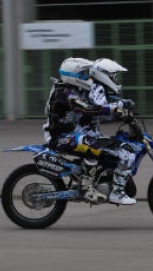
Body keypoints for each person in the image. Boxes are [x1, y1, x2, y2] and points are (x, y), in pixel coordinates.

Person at [43, 56, 137, 206]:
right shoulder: (64, 93)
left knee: (110, 146)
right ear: (72, 75)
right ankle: (86, 188)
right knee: (94, 145)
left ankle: (96, 179)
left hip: (73, 134)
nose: (87, 77)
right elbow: (89, 109)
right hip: (60, 137)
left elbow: (92, 112)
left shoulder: (74, 89)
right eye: (83, 74)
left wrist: (119, 113)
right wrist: (117, 106)